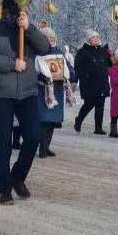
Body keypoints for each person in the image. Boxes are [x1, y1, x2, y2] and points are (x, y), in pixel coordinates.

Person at [0, 0, 51, 205]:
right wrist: (10, 64)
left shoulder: (27, 29)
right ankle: (4, 187)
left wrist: (29, 28)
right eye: (17, 11)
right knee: (2, 142)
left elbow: (45, 48)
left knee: (33, 136)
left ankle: (17, 176)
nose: (20, 14)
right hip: (2, 92)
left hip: (27, 91)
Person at [35, 27, 71, 158]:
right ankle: (42, 148)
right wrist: (39, 77)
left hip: (57, 90)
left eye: (52, 38)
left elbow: (68, 67)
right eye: (47, 38)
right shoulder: (37, 51)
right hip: (42, 91)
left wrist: (69, 75)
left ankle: (46, 146)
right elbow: (31, 69)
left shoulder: (58, 51)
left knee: (52, 122)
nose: (50, 40)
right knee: (44, 120)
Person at [73, 30, 111, 134]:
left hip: (102, 82)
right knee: (89, 104)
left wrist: (111, 55)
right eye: (93, 37)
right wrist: (74, 80)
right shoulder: (83, 52)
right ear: (88, 39)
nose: (96, 39)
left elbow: (110, 64)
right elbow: (77, 67)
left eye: (97, 37)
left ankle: (98, 128)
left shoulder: (103, 51)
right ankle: (79, 120)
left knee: (100, 104)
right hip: (89, 82)